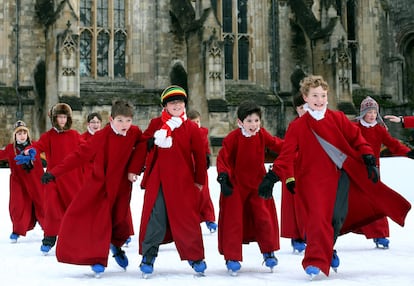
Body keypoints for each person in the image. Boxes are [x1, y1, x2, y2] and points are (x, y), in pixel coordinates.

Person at [258, 75, 411, 279]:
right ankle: (313, 260)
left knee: (336, 218)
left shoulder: (337, 118)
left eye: (323, 95)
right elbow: (286, 156)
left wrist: (367, 157)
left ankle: (327, 250)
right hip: (312, 181)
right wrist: (272, 177)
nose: (319, 100)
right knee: (317, 219)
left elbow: (356, 138)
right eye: (315, 96)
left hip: (340, 176)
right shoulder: (298, 126)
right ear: (305, 97)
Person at [41, 99, 142, 277]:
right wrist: (54, 172)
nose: (124, 125)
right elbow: (79, 156)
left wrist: (135, 168)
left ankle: (116, 247)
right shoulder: (101, 137)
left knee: (119, 220)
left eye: (128, 120)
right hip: (100, 186)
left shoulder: (134, 133)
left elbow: (144, 146)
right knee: (98, 222)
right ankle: (97, 258)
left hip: (122, 187)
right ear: (111, 120)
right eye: (120, 120)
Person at [128, 85, 208, 277]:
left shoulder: (191, 128)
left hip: (183, 181)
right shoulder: (156, 124)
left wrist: (199, 180)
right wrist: (134, 169)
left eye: (180, 102)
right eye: (172, 102)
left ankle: (195, 257)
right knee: (155, 218)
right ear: (165, 105)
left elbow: (200, 155)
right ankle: (148, 256)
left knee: (187, 220)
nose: (176, 105)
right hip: (160, 180)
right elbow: (142, 146)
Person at [215, 100, 283, 275]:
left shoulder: (262, 135)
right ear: (240, 122)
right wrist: (223, 177)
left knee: (263, 217)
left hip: (257, 183)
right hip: (237, 184)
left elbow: (278, 144)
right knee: (234, 219)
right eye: (249, 121)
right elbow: (223, 158)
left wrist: (295, 146)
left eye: (256, 120)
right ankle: (232, 256)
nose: (253, 125)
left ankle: (268, 251)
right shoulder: (233, 138)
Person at [20, 103, 84, 255]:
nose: (62, 120)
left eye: (64, 117)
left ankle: (77, 237)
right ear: (54, 118)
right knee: (51, 207)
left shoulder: (74, 135)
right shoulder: (48, 136)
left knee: (73, 208)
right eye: (59, 117)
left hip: (72, 178)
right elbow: (37, 146)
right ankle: (49, 236)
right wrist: (28, 152)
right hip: (52, 177)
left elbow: (88, 149)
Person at [353, 96, 413, 248]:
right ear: (363, 113)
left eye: (375, 112)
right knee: (351, 201)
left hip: (374, 171)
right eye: (369, 112)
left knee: (376, 202)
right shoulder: (354, 128)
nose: (372, 115)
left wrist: (408, 152)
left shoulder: (380, 129)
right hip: (355, 170)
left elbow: (393, 144)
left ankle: (379, 234)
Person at [0, 121, 45, 244]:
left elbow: (49, 153)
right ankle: (17, 229)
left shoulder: (35, 146)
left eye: (24, 132)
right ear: (15, 135)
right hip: (18, 182)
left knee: (42, 203)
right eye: (19, 133)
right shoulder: (11, 149)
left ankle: (48, 228)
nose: (22, 135)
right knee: (18, 205)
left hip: (36, 181)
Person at [280, 94, 307, 253]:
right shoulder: (294, 126)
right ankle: (296, 237)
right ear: (297, 110)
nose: (305, 110)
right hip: (294, 171)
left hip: (311, 171)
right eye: (301, 108)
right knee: (294, 206)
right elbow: (288, 151)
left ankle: (310, 234)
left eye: (306, 107)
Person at [187, 109, 217, 233]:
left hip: (201, 167)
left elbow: (205, 146)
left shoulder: (202, 133)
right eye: (193, 122)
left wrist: (208, 156)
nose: (196, 124)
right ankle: (190, 221)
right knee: (190, 196)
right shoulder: (185, 134)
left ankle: (209, 218)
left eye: (198, 122)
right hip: (189, 168)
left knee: (204, 194)